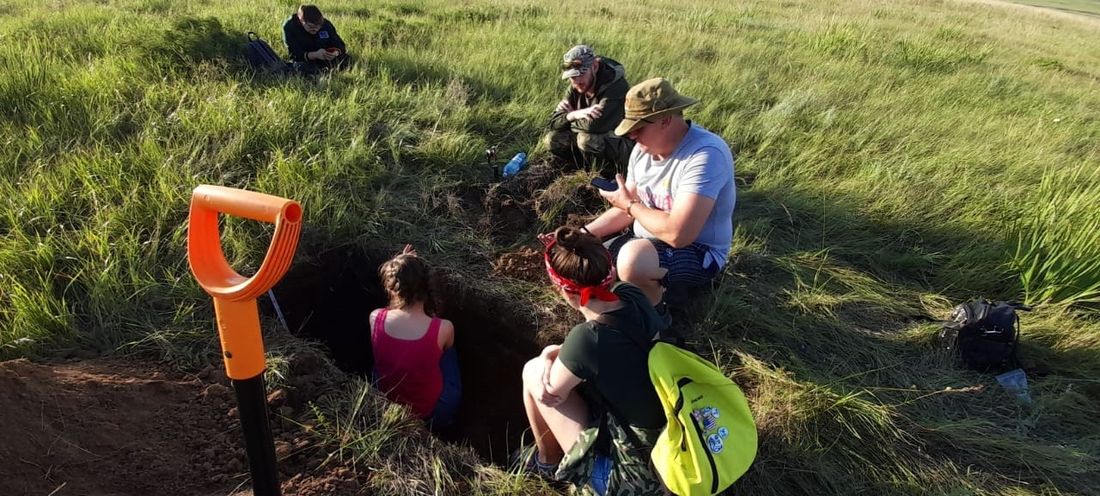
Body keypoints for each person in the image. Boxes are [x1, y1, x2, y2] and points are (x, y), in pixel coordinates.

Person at [520, 227, 668, 493]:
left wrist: (546, 355)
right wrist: (563, 351)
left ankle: (546, 463)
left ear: (566, 293)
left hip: (637, 480)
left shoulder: (588, 339)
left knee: (533, 372)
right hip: (673, 451)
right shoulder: (632, 295)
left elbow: (550, 394)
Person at [579, 77, 736, 307]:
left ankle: (657, 314)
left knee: (632, 261)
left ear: (665, 119)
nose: (632, 136)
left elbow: (678, 234)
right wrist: (584, 234)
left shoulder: (705, 155)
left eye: (638, 128)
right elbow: (626, 208)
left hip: (697, 252)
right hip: (644, 240)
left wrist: (631, 205)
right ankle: (637, 292)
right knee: (588, 264)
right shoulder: (643, 150)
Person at [370, 245, 461, 427]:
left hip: (385, 399)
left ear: (391, 287)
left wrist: (401, 266)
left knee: (384, 359)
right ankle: (443, 423)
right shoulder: (443, 328)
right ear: (426, 287)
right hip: (428, 411)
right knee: (448, 354)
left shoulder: (375, 317)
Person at [542, 45, 634, 177]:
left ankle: (607, 173)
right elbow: (552, 123)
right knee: (553, 139)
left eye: (581, 74)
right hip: (595, 139)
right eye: (572, 77)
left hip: (621, 141)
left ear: (594, 66)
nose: (577, 81)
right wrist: (573, 115)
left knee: (587, 139)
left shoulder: (616, 87)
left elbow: (594, 125)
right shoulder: (575, 86)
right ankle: (579, 167)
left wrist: (567, 119)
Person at [282, 4, 349, 75]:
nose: (315, 29)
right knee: (300, 67)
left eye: (318, 26)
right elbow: (294, 54)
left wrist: (335, 53)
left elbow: (339, 44)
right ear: (301, 21)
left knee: (346, 59)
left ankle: (324, 71)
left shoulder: (326, 24)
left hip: (325, 57)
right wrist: (315, 55)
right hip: (306, 60)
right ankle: (320, 72)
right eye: (311, 27)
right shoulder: (290, 27)